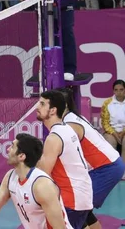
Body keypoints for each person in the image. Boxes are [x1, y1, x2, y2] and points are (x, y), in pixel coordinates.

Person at [61, 88, 125, 229]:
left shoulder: (69, 124)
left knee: (76, 207)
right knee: (83, 207)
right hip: (109, 165)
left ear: (62, 105)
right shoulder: (73, 117)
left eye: (46, 103)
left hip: (107, 168)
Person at [36, 90, 93, 229]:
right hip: (82, 197)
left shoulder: (54, 137)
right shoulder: (66, 128)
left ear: (53, 110)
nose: (37, 106)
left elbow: (43, 174)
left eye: (42, 104)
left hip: (71, 200)